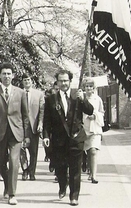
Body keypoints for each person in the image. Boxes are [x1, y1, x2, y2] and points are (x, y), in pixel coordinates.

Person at [43, 69, 94, 206]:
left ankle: (74, 196)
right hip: (59, 140)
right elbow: (46, 120)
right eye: (61, 81)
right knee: (60, 167)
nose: (64, 83)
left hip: (76, 138)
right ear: (57, 82)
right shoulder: (51, 99)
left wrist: (83, 100)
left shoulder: (77, 95)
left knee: (75, 168)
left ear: (70, 81)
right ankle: (62, 184)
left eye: (66, 80)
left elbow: (90, 111)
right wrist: (46, 135)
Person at [0, 62, 30, 205]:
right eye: (4, 73)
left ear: (13, 76)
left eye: (9, 73)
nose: (6, 76)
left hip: (16, 133)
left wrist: (26, 135)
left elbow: (25, 115)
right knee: (1, 163)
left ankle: (12, 194)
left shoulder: (20, 93)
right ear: (0, 75)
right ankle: (7, 184)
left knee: (14, 161)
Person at [20, 73, 45, 181]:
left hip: (34, 126)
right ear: (22, 82)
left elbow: (42, 111)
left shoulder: (39, 94)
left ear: (32, 81)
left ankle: (32, 172)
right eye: (25, 80)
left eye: (28, 80)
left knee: (33, 152)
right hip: (21, 126)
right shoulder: (18, 93)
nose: (27, 82)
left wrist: (40, 123)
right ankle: (25, 170)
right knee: (22, 150)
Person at [82, 77, 104, 184]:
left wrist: (95, 116)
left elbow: (101, 112)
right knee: (86, 152)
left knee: (93, 151)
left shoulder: (98, 99)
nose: (89, 88)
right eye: (87, 86)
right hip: (83, 127)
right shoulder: (81, 98)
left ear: (93, 88)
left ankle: (94, 175)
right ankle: (89, 169)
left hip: (95, 127)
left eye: (91, 86)